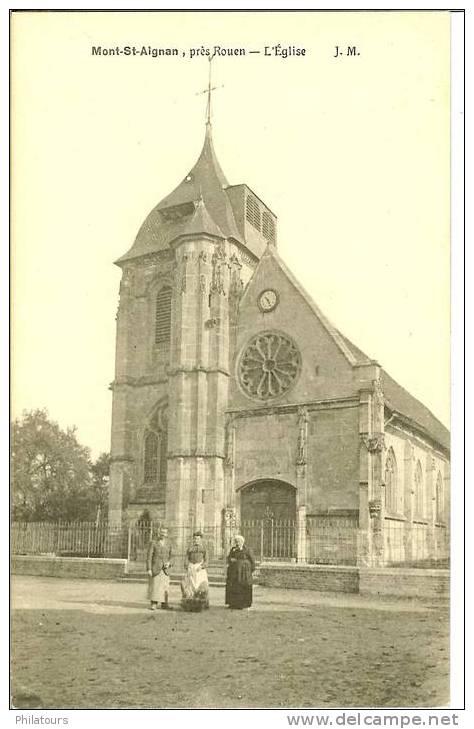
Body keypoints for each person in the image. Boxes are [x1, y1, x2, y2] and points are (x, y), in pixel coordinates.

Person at [181, 530, 209, 611]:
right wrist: (187, 566)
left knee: (201, 584)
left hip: (199, 568)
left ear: (201, 539)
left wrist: (202, 566)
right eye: (195, 539)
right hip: (191, 567)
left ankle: (204, 602)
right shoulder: (190, 548)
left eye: (198, 539)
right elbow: (186, 558)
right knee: (191, 585)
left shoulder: (204, 548)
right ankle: (191, 601)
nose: (196, 540)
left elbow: (207, 560)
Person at [225, 534, 255, 609]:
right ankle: (233, 603)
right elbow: (228, 558)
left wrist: (250, 571)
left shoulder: (247, 549)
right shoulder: (233, 549)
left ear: (242, 542)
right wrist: (231, 560)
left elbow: (252, 561)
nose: (237, 543)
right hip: (234, 573)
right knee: (234, 587)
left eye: (238, 541)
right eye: (236, 542)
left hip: (244, 573)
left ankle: (243, 603)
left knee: (243, 587)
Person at [146, 530, 172, 610]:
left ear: (167, 534)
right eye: (161, 533)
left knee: (165, 587)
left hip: (165, 569)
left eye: (164, 533)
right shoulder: (153, 543)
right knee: (155, 586)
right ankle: (154, 603)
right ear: (159, 533)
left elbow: (172, 556)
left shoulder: (169, 543)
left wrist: (169, 563)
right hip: (156, 567)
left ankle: (165, 604)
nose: (163, 534)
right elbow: (149, 557)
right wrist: (149, 568)